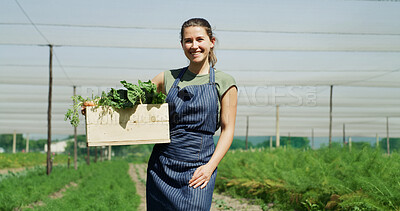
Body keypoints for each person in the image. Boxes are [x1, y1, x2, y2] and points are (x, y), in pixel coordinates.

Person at [146, 18, 238, 210]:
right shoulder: (167, 78)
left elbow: (228, 130)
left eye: (199, 39)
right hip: (162, 167)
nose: (194, 46)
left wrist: (209, 167)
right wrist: (97, 108)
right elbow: (133, 100)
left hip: (199, 169)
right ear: (182, 44)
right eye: (188, 41)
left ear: (211, 42)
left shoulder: (224, 81)